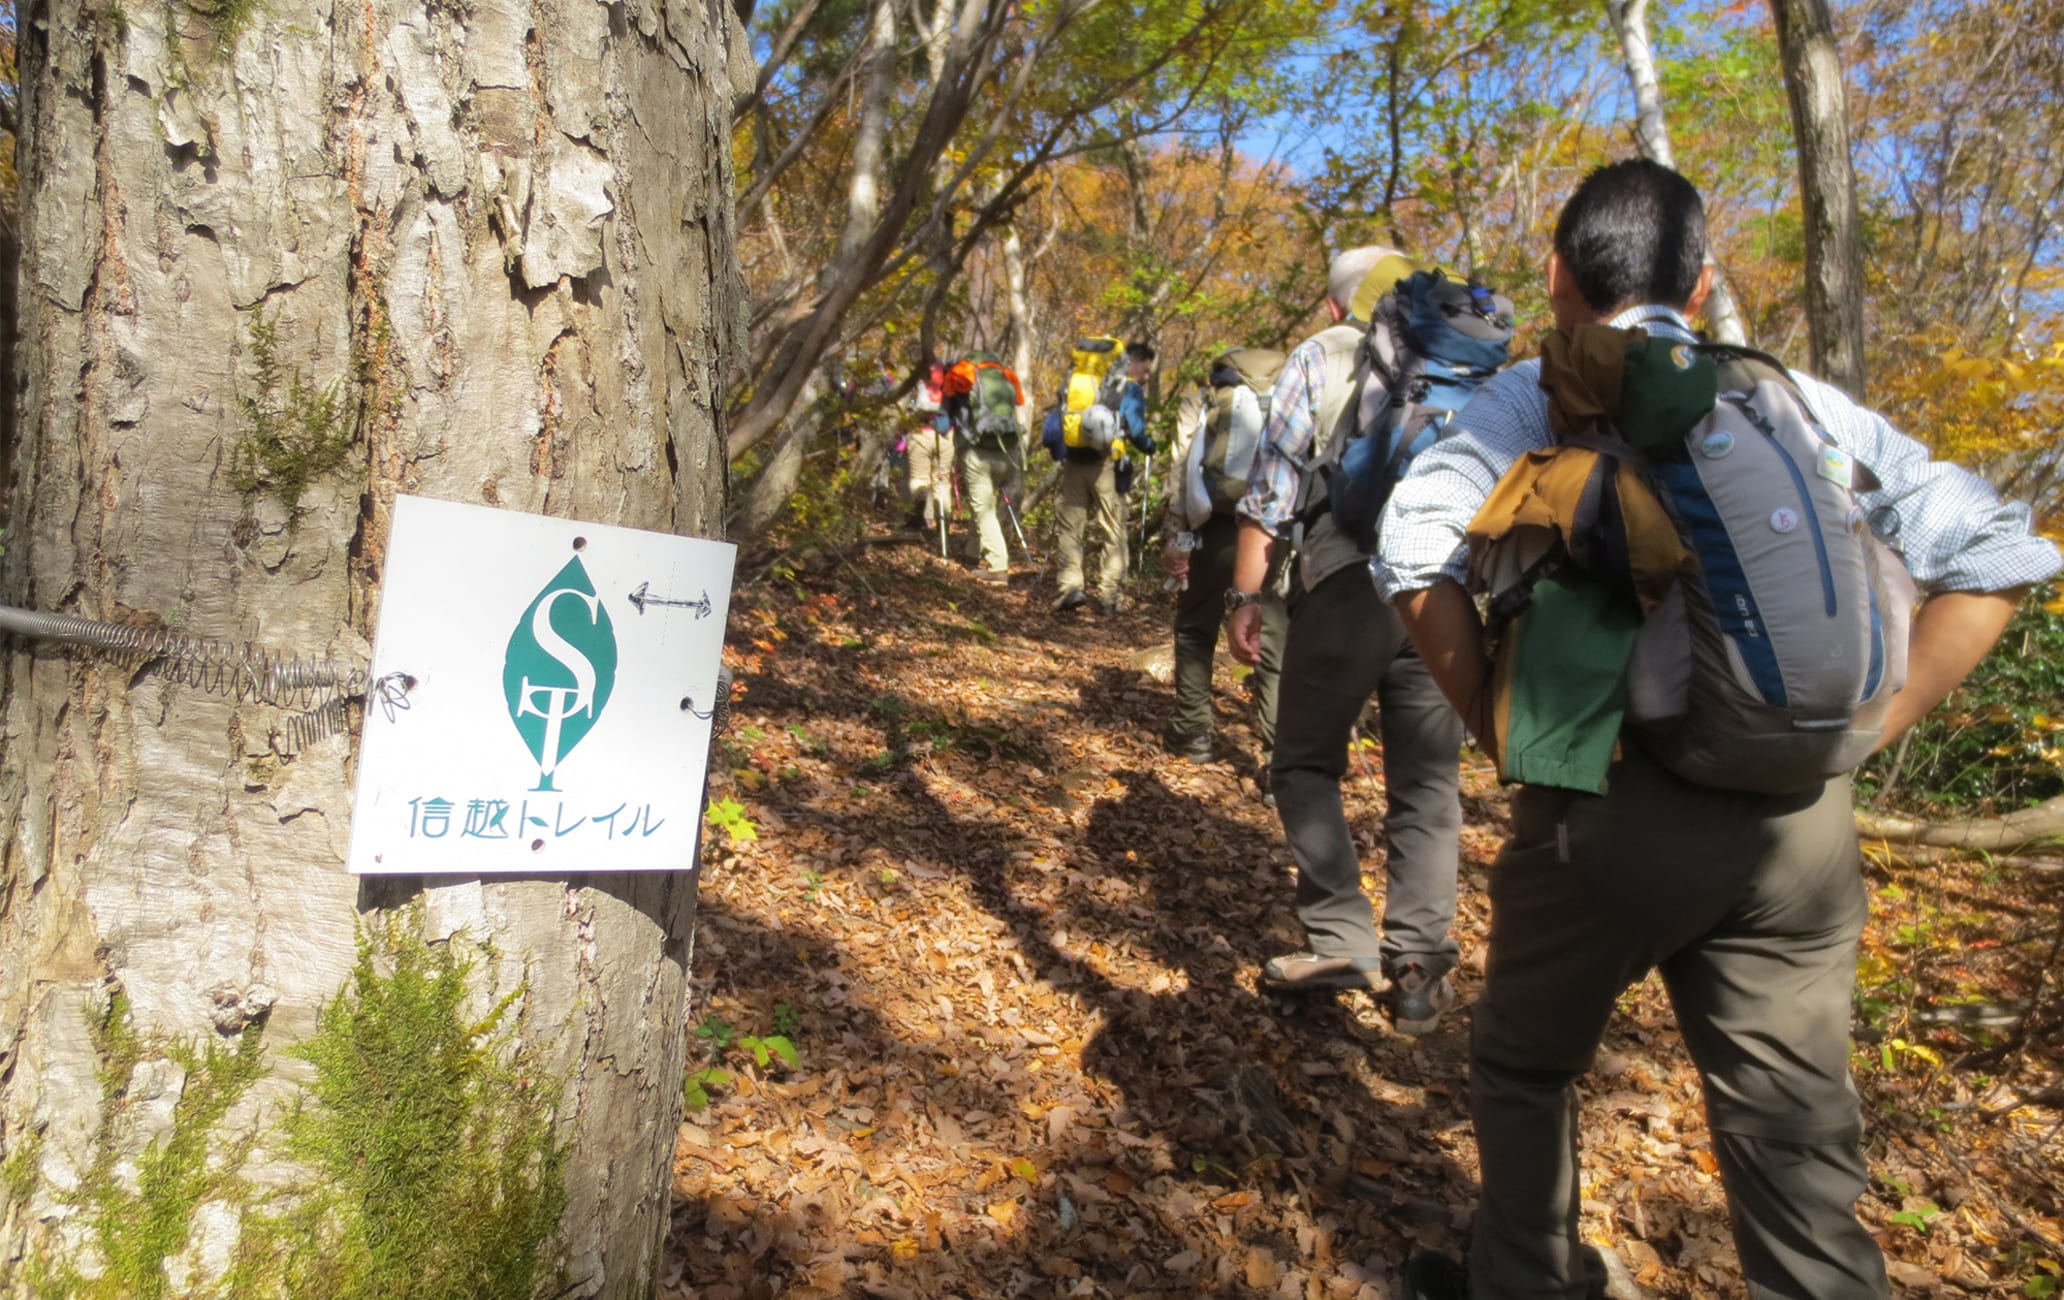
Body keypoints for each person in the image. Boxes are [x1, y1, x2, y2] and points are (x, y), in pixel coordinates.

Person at [1383, 159, 2061, 1300]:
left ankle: (1523, 1283)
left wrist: (1502, 729)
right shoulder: (1790, 399)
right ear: (1699, 288)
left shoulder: (1527, 396)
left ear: (1555, 278)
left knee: (1523, 1064)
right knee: (1793, 1137)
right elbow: (1998, 556)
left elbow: (1413, 552)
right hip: (1803, 824)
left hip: (1609, 799)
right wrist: (1870, 728)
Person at [1224, 248, 1467, 1034]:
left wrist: (1248, 595)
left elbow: (1274, 485)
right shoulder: (1461, 361)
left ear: (1338, 307)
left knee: (1301, 762)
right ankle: (1421, 964)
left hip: (1351, 582)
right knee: (1427, 786)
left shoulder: (1322, 355)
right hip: (1450, 594)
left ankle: (1343, 937)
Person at [1163, 359, 1287, 764]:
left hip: (1215, 529)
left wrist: (1175, 537)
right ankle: (1275, 760)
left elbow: (1181, 469)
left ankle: (1192, 731)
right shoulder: (1287, 396)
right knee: (1270, 639)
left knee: (1196, 628)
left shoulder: (1202, 401)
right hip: (1274, 534)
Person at [1055, 341, 1157, 615]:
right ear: (1133, 362)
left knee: (1070, 528)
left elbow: (1057, 421)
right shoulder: (1127, 388)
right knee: (1113, 529)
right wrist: (1149, 445)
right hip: (1108, 467)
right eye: (1145, 370)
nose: (1146, 377)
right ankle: (1109, 597)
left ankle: (1070, 586)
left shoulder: (1076, 380)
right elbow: (1135, 430)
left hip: (1074, 462)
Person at [944, 350, 1026, 586]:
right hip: (1007, 450)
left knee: (982, 507)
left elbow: (943, 421)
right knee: (986, 503)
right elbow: (1019, 403)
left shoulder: (962, 378)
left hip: (976, 451)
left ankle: (998, 565)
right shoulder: (1005, 376)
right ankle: (972, 552)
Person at [904, 361, 952, 532]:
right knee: (942, 480)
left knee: (919, 478)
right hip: (947, 433)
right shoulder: (948, 376)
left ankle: (917, 517)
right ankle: (944, 521)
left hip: (921, 431)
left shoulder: (918, 376)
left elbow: (907, 406)